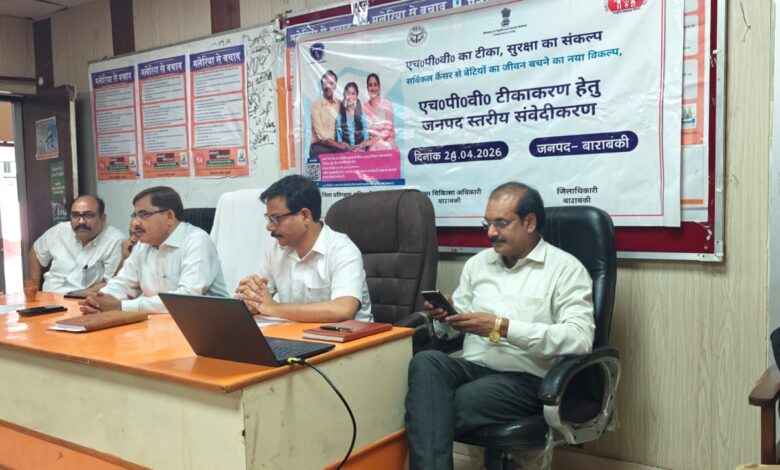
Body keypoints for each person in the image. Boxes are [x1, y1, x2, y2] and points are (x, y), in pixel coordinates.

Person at [404, 182, 595, 469]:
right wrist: (446, 317)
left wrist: (501, 327)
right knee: (426, 361)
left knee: (436, 405)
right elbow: (453, 330)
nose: (491, 232)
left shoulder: (565, 270)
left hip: (526, 378)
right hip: (473, 367)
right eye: (488, 223)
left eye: (501, 224)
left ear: (530, 222)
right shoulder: (478, 264)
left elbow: (580, 339)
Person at [235, 175, 372, 323]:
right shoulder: (275, 250)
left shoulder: (342, 249)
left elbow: (344, 310)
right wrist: (250, 301)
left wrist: (273, 307)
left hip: (351, 336)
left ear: (305, 216)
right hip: (295, 333)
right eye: (268, 219)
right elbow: (261, 302)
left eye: (276, 219)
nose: (269, 227)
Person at [79, 186, 228, 313]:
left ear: (169, 216)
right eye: (135, 215)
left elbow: (186, 299)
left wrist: (121, 306)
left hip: (202, 326)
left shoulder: (196, 241)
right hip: (157, 324)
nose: (135, 223)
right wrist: (99, 300)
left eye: (144, 215)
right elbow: (122, 283)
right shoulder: (143, 245)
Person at [29, 195, 124, 294]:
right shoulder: (60, 231)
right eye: (75, 216)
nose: (81, 221)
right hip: (48, 297)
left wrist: (78, 294)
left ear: (103, 218)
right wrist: (34, 289)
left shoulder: (115, 241)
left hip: (83, 299)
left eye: (88, 215)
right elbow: (36, 252)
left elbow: (112, 284)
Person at [309, 70, 350, 157]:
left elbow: (346, 125)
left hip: (336, 146)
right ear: (322, 86)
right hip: (320, 146)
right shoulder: (316, 106)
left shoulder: (339, 104)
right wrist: (339, 145)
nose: (328, 86)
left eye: (331, 83)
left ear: (335, 86)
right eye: (325, 83)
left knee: (351, 153)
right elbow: (321, 136)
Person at [363, 73, 397, 150]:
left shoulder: (387, 104)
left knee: (378, 146)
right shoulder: (363, 107)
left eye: (375, 85)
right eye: (370, 85)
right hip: (370, 144)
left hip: (386, 142)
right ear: (367, 88)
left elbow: (388, 129)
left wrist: (376, 139)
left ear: (379, 87)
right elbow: (362, 129)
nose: (373, 88)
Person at [335, 81, 371, 151]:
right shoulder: (339, 118)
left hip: (360, 151)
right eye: (348, 93)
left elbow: (366, 138)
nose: (350, 97)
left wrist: (359, 146)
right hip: (346, 152)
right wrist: (348, 147)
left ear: (357, 96)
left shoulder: (362, 116)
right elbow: (339, 140)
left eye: (353, 94)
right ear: (344, 95)